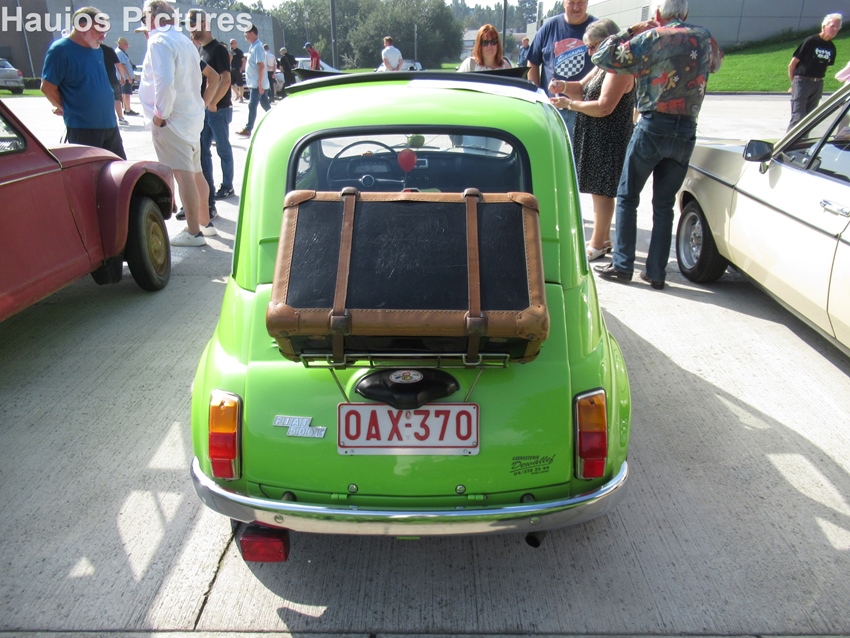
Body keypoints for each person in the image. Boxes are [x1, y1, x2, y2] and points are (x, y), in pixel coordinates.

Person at [591, 0, 722, 290]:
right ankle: (656, 272)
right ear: (685, 13)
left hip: (653, 126)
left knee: (628, 196)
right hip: (686, 129)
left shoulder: (651, 38)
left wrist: (631, 31)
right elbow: (716, 63)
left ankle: (623, 265)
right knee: (664, 205)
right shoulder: (705, 38)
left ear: (658, 14)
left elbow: (602, 56)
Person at [548, 18, 635, 261]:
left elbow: (604, 106)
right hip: (597, 135)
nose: (589, 52)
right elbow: (581, 88)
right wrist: (562, 85)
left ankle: (598, 243)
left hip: (610, 137)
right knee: (598, 190)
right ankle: (603, 238)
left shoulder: (619, 67)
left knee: (603, 191)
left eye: (593, 46)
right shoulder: (602, 64)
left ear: (608, 41)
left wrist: (569, 105)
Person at [137, 0, 214, 247]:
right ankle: (205, 223)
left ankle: (193, 232)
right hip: (190, 117)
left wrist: (159, 116)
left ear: (152, 18)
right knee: (196, 173)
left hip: (172, 120)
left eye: (144, 19)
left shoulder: (159, 41)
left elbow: (165, 82)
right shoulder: (184, 41)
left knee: (184, 176)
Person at [41, 7, 127, 160]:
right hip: (84, 128)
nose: (103, 37)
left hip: (110, 124)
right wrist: (66, 108)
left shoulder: (97, 50)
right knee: (90, 172)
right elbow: (47, 87)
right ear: (82, 27)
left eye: (105, 32)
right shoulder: (60, 50)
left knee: (121, 169)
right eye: (99, 32)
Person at [185, 8, 235, 215]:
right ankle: (207, 198)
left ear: (204, 24)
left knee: (222, 149)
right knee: (203, 153)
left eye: (193, 23)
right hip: (206, 110)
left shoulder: (218, 49)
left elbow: (226, 79)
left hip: (219, 110)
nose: (190, 28)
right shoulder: (200, 50)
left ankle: (228, 185)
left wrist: (213, 102)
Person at [526, 0, 596, 139]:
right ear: (564, 3)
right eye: (571, 2)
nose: (576, 7)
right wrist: (536, 95)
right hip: (553, 110)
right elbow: (532, 62)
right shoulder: (549, 28)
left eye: (580, 2)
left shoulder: (598, 29)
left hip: (586, 111)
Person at [787, 14, 842, 130]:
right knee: (798, 117)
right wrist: (794, 84)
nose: (835, 30)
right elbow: (792, 65)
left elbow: (825, 67)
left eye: (837, 28)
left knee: (810, 119)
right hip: (802, 81)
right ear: (824, 26)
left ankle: (804, 141)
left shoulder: (831, 47)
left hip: (817, 84)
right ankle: (790, 142)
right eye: (832, 26)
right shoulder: (810, 41)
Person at [235, 25, 271, 137]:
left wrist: (259, 84)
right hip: (257, 84)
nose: (244, 36)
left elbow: (261, 66)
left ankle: (248, 128)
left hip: (258, 85)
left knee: (252, 105)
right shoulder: (253, 47)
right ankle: (279, 122)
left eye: (246, 33)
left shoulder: (258, 47)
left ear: (252, 33)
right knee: (266, 107)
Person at [101, 42, 127, 125]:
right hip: (112, 78)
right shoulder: (109, 49)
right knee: (117, 98)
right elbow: (118, 65)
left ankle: (103, 117)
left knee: (101, 99)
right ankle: (121, 118)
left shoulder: (92, 50)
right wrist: (122, 76)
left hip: (99, 79)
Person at [115, 37, 138, 116]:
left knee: (124, 93)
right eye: (126, 45)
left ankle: (126, 108)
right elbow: (122, 65)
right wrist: (128, 76)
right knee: (127, 93)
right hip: (125, 77)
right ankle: (128, 109)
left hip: (124, 77)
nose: (127, 47)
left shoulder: (120, 52)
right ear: (121, 44)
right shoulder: (120, 53)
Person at [229, 38, 246, 103]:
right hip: (232, 69)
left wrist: (242, 68)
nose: (231, 45)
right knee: (231, 84)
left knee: (240, 84)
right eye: (230, 43)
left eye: (232, 43)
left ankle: (241, 97)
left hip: (238, 69)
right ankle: (237, 94)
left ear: (235, 43)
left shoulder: (239, 52)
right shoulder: (230, 51)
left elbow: (244, 61)